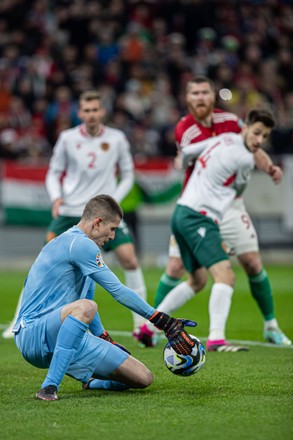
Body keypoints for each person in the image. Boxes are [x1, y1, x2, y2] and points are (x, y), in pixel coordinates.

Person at [134, 77, 291, 350]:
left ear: (212, 96)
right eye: (195, 93)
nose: (200, 97)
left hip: (206, 209)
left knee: (231, 270)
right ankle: (212, 337)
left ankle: (271, 326)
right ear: (188, 98)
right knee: (211, 273)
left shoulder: (231, 128)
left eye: (205, 92)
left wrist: (269, 167)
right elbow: (237, 171)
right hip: (203, 211)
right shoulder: (188, 129)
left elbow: (195, 155)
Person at [13, 195, 197, 401]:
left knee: (142, 378)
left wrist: (102, 337)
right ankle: (49, 387)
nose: (112, 236)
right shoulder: (79, 244)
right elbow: (117, 290)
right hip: (33, 334)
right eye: (113, 229)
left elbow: (88, 297)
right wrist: (162, 320)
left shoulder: (84, 248)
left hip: (66, 333)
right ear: (97, 222)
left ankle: (90, 382)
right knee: (86, 307)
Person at [3, 90, 147, 339]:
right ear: (80, 113)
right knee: (42, 263)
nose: (91, 115)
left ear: (102, 111)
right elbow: (54, 171)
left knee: (130, 259)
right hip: (71, 211)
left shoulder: (117, 139)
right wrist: (56, 196)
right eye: (86, 110)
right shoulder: (68, 138)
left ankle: (142, 327)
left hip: (102, 211)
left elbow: (128, 174)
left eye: (95, 110)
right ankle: (19, 319)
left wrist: (114, 201)